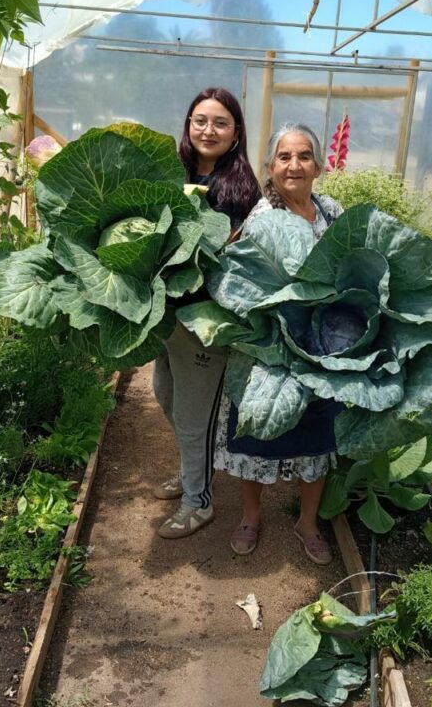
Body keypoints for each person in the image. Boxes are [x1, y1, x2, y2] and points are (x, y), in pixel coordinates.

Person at [214, 123, 344, 565]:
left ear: (318, 164)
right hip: (267, 346)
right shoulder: (262, 217)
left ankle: (307, 522)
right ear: (270, 167)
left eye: (304, 156)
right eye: (284, 157)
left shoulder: (332, 213)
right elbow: (240, 283)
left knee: (319, 434)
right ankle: (251, 516)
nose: (294, 165)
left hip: (323, 347)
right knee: (256, 434)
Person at [152, 88, 260, 539]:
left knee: (195, 418)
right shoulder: (168, 172)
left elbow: (236, 259)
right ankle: (191, 471)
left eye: (219, 123)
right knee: (165, 396)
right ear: (188, 123)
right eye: (200, 120)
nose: (207, 130)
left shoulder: (242, 190)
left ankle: (199, 502)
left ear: (236, 133)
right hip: (164, 312)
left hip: (207, 320)